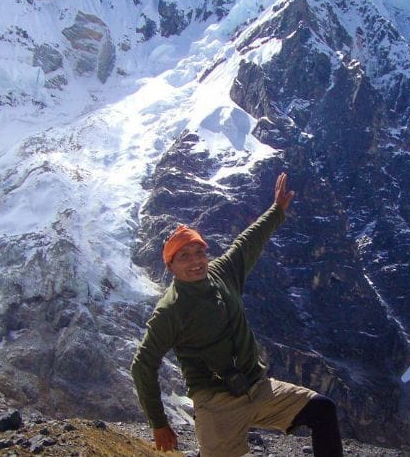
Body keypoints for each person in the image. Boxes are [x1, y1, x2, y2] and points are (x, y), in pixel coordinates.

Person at [131, 172, 343, 456]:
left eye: (199, 251)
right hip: (216, 404)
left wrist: (276, 210)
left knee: (322, 410)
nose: (195, 261)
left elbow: (247, 243)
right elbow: (142, 364)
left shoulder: (222, 272)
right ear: (170, 267)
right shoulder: (170, 310)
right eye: (184, 256)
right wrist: (158, 423)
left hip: (258, 387)